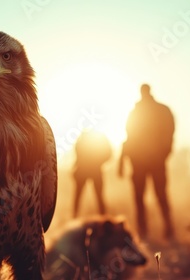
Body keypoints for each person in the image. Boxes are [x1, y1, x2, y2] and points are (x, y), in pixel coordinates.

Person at [119, 84, 175, 239]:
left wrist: (164, 153)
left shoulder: (158, 111)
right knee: (141, 197)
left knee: (159, 195)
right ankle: (145, 232)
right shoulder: (138, 112)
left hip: (153, 161)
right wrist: (122, 160)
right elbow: (129, 137)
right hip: (140, 162)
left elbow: (169, 133)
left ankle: (167, 230)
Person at [73, 130, 112, 217]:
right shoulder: (100, 139)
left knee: (81, 196)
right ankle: (103, 217)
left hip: (89, 170)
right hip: (92, 170)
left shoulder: (83, 139)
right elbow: (109, 154)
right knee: (95, 196)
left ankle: (75, 217)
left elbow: (108, 154)